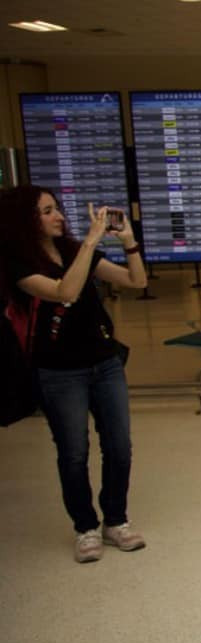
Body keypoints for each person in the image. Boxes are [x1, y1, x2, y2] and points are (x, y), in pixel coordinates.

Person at [0, 186, 148, 563]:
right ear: (25, 220)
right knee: (73, 453)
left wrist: (129, 242)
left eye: (57, 209)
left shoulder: (72, 250)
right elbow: (65, 290)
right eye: (47, 211)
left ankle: (116, 519)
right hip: (58, 372)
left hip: (105, 363)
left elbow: (137, 281)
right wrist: (89, 244)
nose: (59, 216)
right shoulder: (20, 263)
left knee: (119, 446)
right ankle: (85, 527)